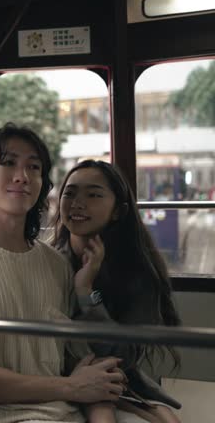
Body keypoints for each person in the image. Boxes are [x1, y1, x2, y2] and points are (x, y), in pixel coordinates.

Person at [0, 123, 126, 422]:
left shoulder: (55, 264)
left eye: (34, 167)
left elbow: (84, 365)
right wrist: (70, 387)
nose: (23, 176)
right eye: (8, 163)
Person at [52, 160, 182, 423]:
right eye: (70, 192)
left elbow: (124, 354)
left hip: (116, 378)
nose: (78, 202)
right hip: (58, 378)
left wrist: (86, 292)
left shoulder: (137, 272)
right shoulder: (45, 260)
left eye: (94, 195)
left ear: (117, 211)